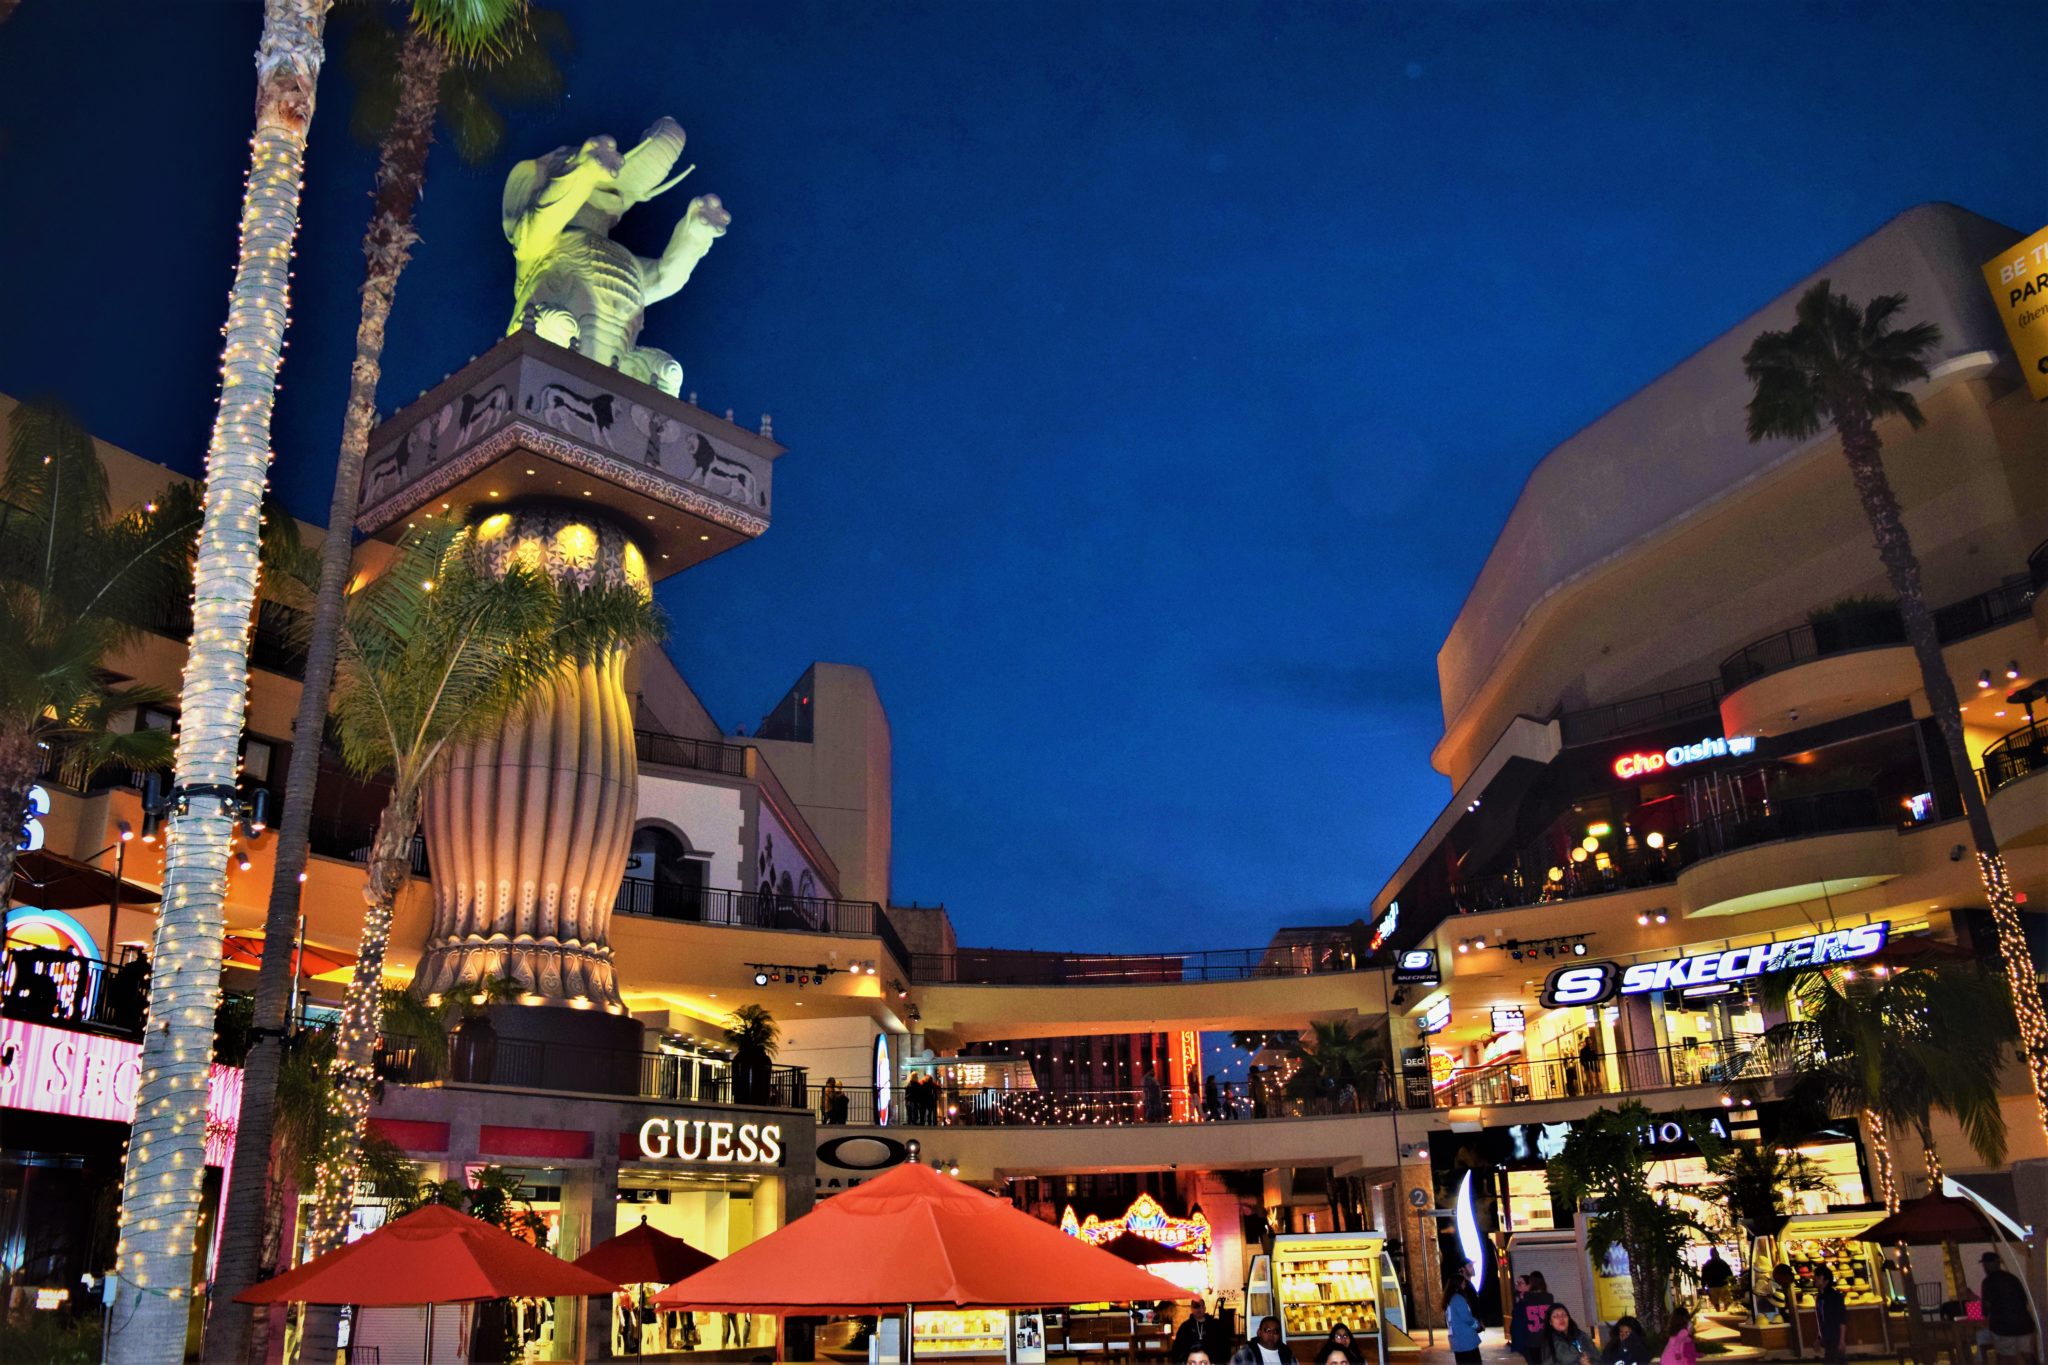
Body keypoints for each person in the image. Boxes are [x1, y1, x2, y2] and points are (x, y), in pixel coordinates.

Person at [1979, 1251, 2037, 1365]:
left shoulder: (1988, 1282)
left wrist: (1985, 1315)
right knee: (2028, 1355)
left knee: (2006, 1357)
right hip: (2024, 1324)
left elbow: (1987, 1304)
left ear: (1986, 1265)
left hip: (2003, 1326)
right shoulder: (2013, 1278)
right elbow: (2023, 1299)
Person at [1530, 1304, 1595, 1365]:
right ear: (1550, 1322)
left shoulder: (1581, 1336)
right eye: (1556, 1316)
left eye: (1564, 1315)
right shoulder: (1549, 1342)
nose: (1561, 1318)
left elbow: (1596, 1358)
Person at [1172, 1298, 1231, 1363]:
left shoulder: (1215, 1325)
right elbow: (1177, 1348)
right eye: (1196, 1306)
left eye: (1201, 1306)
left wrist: (1221, 1361)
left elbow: (1224, 1345)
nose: (1199, 1309)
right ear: (1191, 1309)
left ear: (1205, 1308)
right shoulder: (1185, 1327)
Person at [1517, 1271, 1557, 1363]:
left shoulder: (1526, 1297)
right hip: (1546, 1336)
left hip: (1531, 1337)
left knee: (1534, 1361)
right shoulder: (1549, 1297)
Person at [1446, 1275, 1484, 1365]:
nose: (1464, 1285)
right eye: (1463, 1283)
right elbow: (1467, 1318)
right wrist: (1478, 1325)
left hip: (1457, 1341)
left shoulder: (1450, 1299)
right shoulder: (1458, 1299)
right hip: (1466, 1340)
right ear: (1457, 1284)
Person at [1230, 1316, 1298, 1365]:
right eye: (1267, 1330)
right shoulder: (1245, 1353)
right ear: (1259, 1332)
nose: (1271, 1334)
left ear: (1279, 1334)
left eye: (1275, 1331)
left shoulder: (1287, 1353)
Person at [1813, 1266, 1847, 1365]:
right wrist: (1819, 1338)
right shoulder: (1819, 1297)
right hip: (1827, 1337)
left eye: (1819, 1277)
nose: (1815, 1279)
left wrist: (1842, 1340)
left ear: (1826, 1281)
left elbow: (1842, 1319)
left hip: (1835, 1336)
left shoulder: (1835, 1297)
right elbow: (1820, 1320)